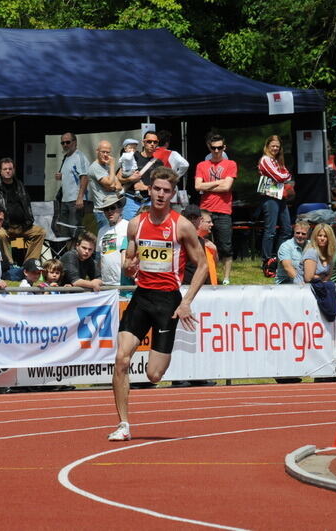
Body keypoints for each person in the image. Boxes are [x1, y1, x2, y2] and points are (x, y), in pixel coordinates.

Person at [109, 167, 208, 442]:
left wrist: (187, 301)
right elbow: (130, 261)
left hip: (167, 302)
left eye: (166, 191)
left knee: (153, 375)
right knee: (121, 359)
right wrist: (129, 266)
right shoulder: (135, 224)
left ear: (172, 194)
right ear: (149, 190)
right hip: (142, 297)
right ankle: (123, 424)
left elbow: (202, 265)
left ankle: (160, 360)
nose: (161, 194)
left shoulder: (181, 225)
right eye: (157, 189)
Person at [0, 158, 45, 264]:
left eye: (10, 169)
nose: (8, 171)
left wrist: (28, 220)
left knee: (40, 232)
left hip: (22, 226)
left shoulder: (20, 185)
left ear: (14, 170)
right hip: (4, 226)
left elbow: (27, 205)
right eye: (5, 169)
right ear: (0, 171)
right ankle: (9, 264)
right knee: (0, 235)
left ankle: (30, 263)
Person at [194, 134, 237, 285]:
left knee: (225, 246)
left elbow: (227, 187)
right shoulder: (202, 165)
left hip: (223, 210)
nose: (216, 151)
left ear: (224, 147)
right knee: (201, 243)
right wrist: (219, 182)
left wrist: (207, 185)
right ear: (209, 147)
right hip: (205, 209)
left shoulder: (231, 164)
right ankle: (205, 274)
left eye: (219, 148)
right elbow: (197, 186)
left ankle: (226, 278)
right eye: (213, 148)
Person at [258, 135, 293, 261]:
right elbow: (280, 176)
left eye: (277, 146)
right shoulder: (265, 159)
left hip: (280, 196)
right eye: (273, 146)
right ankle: (266, 260)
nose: (275, 148)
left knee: (287, 229)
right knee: (270, 230)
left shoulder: (278, 161)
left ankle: (279, 257)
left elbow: (285, 175)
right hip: (269, 197)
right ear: (267, 146)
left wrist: (284, 176)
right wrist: (285, 176)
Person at [120, 132, 164, 221]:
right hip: (131, 201)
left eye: (155, 142)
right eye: (149, 141)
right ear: (143, 142)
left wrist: (146, 187)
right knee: (128, 227)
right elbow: (118, 178)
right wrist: (131, 178)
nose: (152, 144)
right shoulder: (133, 156)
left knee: (148, 227)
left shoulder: (159, 163)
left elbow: (161, 186)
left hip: (149, 202)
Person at [54, 132, 89, 236]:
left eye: (68, 142)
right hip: (65, 200)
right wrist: (61, 176)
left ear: (75, 142)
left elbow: (85, 177)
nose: (65, 145)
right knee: (64, 232)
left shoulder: (79, 156)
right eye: (63, 143)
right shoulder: (66, 157)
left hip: (75, 201)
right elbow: (72, 175)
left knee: (74, 232)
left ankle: (76, 247)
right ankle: (68, 248)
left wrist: (80, 198)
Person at [86, 141, 122, 232]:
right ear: (97, 151)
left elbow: (119, 186)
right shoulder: (95, 167)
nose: (105, 154)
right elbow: (110, 183)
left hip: (113, 207)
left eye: (108, 152)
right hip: (103, 211)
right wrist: (112, 165)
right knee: (105, 237)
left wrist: (112, 187)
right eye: (103, 152)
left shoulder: (106, 166)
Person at [96, 193, 128, 286]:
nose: (109, 211)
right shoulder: (101, 230)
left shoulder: (128, 226)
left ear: (120, 209)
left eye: (112, 208)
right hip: (106, 282)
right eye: (106, 209)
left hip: (124, 282)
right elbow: (100, 257)